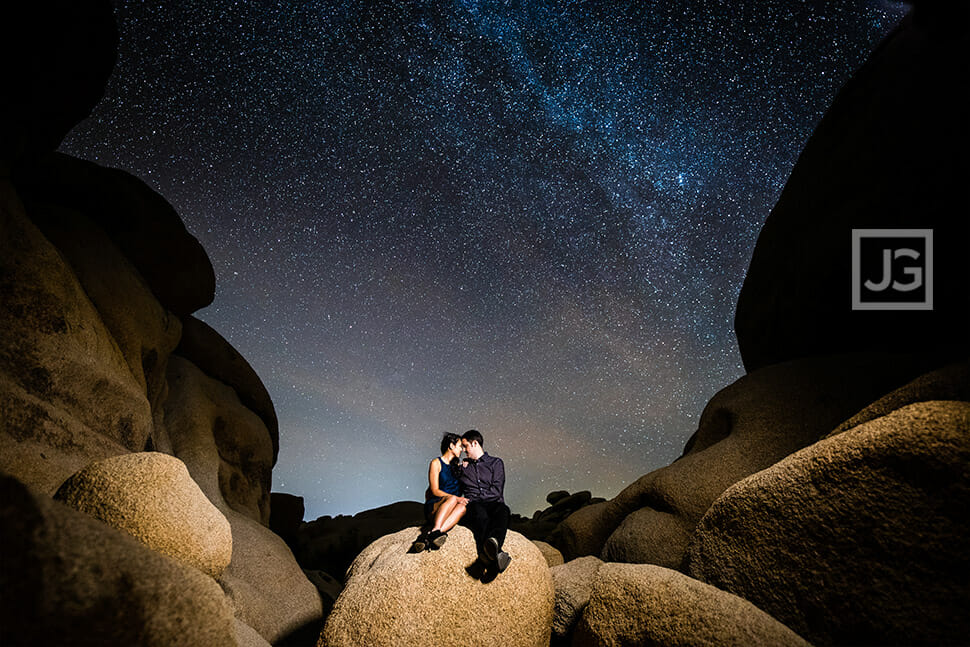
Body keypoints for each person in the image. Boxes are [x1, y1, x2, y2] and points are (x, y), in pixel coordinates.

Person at [458, 429, 512, 573]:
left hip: (494, 503)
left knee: (504, 511)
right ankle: (497, 552)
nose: (463, 450)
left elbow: (496, 491)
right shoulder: (463, 468)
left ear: (475, 443)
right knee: (480, 514)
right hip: (474, 507)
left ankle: (491, 549)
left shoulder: (496, 463)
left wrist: (474, 497)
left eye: (465, 446)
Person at [410, 433, 468, 552]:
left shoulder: (458, 466)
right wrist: (455, 498)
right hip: (436, 505)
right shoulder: (436, 463)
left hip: (452, 507)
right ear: (451, 446)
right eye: (459, 446)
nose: (462, 449)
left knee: (463, 508)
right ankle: (436, 529)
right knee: (453, 499)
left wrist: (466, 468)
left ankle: (430, 535)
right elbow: (434, 490)